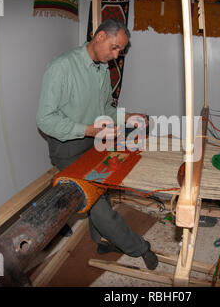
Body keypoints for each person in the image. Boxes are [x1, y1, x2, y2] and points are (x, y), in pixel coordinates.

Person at [36, 19, 158, 270]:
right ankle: (139, 247)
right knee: (101, 208)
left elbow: (105, 110)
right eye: (114, 48)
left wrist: (128, 116)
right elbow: (45, 120)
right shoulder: (62, 67)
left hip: (93, 140)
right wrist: (88, 130)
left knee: (102, 188)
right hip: (67, 148)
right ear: (100, 37)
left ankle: (101, 239)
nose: (115, 56)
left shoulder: (101, 70)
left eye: (120, 52)